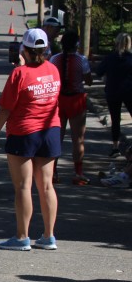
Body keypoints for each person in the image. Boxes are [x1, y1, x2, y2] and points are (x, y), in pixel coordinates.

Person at [0, 28, 61, 251]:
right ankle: (48, 236)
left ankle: (22, 237)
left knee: (23, 186)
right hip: (50, 131)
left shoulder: (19, 74)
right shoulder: (53, 70)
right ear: (46, 49)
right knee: (46, 185)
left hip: (23, 132)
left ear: (24, 50)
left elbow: (5, 109)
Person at [50, 31, 93, 185]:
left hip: (59, 100)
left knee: (57, 137)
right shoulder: (81, 60)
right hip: (76, 100)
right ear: (76, 44)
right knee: (78, 139)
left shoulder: (54, 59)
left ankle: (53, 172)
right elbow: (89, 81)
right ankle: (78, 173)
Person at [95, 32, 132, 158]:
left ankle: (115, 147)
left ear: (116, 43)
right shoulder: (130, 58)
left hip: (113, 91)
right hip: (129, 91)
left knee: (115, 119)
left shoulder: (110, 58)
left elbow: (99, 71)